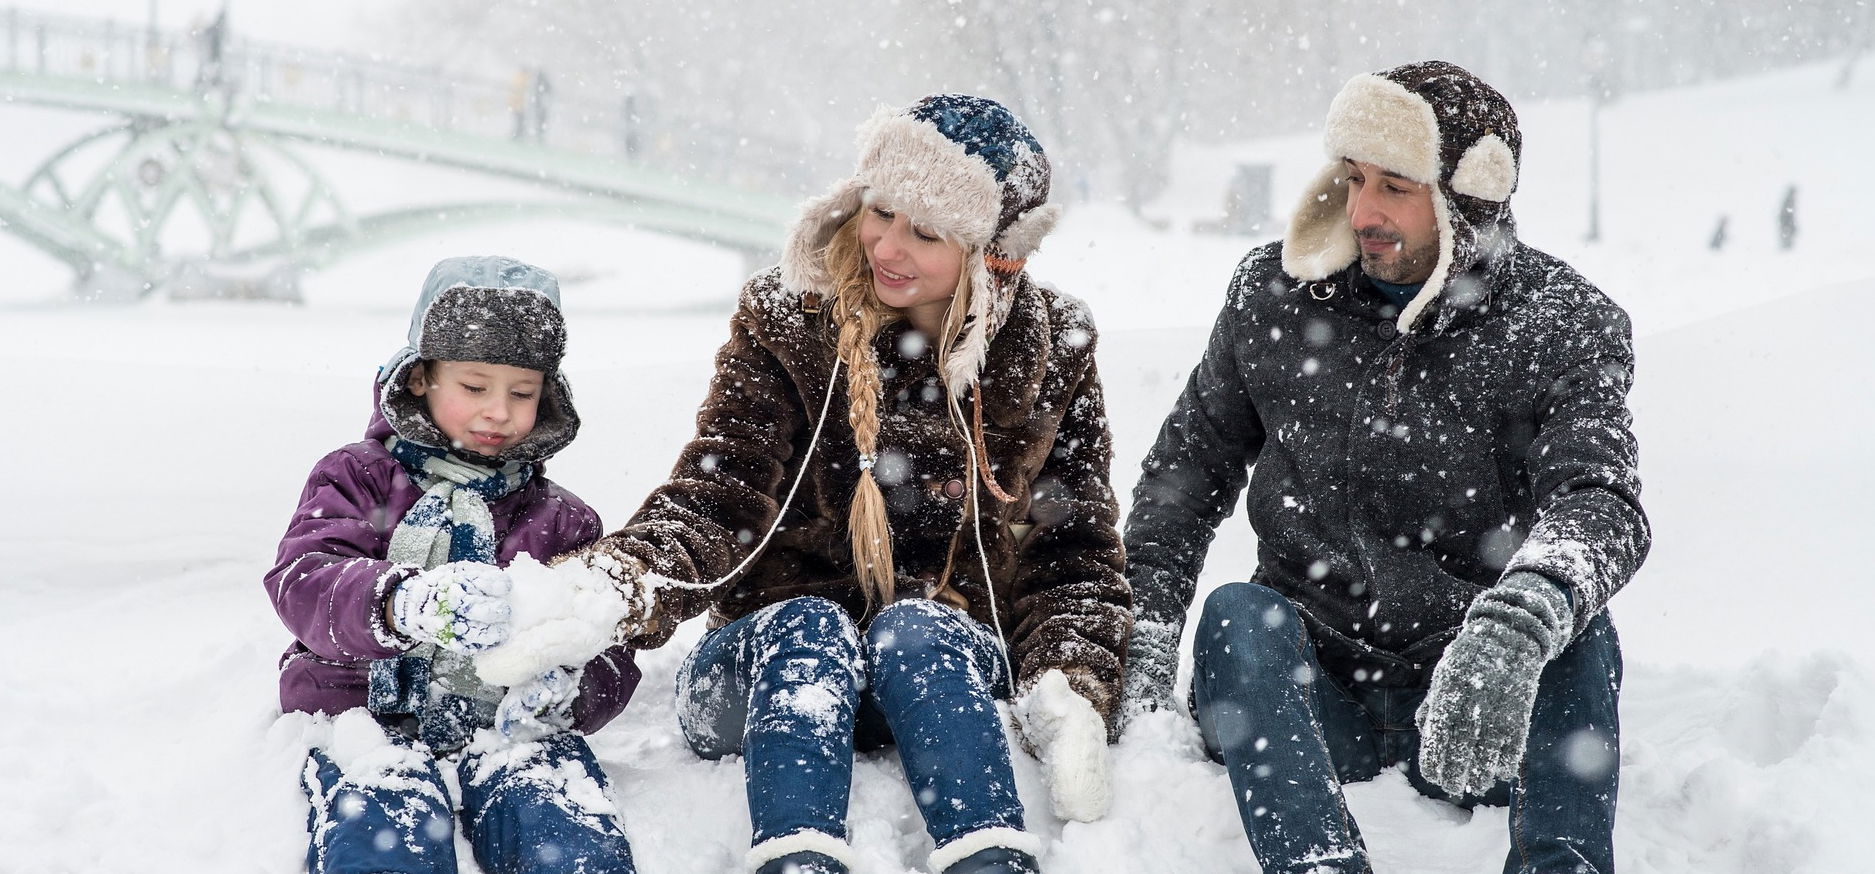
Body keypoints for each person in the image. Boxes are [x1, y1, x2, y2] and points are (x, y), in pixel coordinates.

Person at [559, 94, 1131, 874]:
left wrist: (1073, 682)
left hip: (940, 678)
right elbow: (717, 498)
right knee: (810, 628)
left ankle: (993, 858)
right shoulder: (786, 317)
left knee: (919, 629)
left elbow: (1074, 549)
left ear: (993, 253)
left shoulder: (1050, 345)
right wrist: (613, 585)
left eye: (925, 233)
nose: (887, 247)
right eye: (881, 212)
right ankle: (797, 859)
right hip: (767, 672)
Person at [1121, 61, 1650, 874]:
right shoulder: (1274, 296)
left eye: (1395, 187)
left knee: (1575, 622)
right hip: (1310, 700)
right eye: (1352, 177)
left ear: (1467, 199)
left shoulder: (1561, 321)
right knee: (1236, 614)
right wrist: (1145, 634)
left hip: (1479, 701)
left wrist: (1512, 628)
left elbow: (1599, 502)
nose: (1362, 211)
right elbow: (1182, 479)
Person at [265, 255, 640, 874]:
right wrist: (398, 603)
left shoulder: (563, 521)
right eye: (474, 387)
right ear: (420, 380)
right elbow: (304, 580)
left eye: (522, 393)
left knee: (564, 830)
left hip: (507, 728)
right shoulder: (359, 478)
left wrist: (574, 688)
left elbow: (607, 643)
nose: (499, 411)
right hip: (363, 714)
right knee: (383, 830)